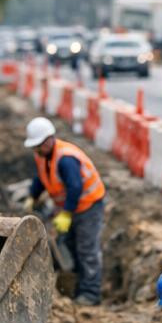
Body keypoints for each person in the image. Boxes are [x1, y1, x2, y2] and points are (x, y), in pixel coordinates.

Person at [25, 116, 106, 306]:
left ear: (49, 140)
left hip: (88, 207)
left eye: (38, 145)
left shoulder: (66, 159)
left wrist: (66, 214)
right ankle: (75, 287)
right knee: (68, 246)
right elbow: (41, 178)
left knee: (87, 249)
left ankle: (91, 294)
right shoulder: (43, 156)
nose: (36, 149)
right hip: (70, 208)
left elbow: (75, 187)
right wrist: (33, 196)